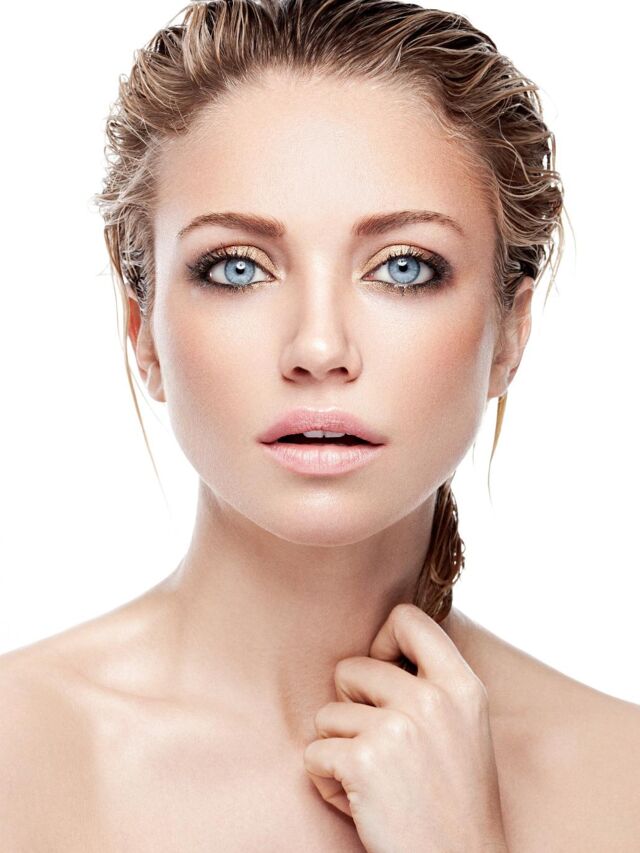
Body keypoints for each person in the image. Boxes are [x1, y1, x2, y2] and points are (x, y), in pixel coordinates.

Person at [1, 0, 639, 849]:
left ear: (510, 333)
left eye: (403, 267)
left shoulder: (622, 777)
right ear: (142, 329)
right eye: (237, 268)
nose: (318, 348)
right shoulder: (17, 752)